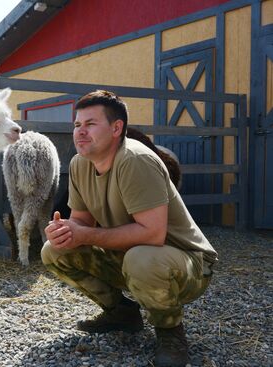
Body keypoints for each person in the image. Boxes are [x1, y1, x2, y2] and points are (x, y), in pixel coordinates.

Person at [42, 90, 217, 366]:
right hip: (134, 254)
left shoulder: (135, 160)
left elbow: (153, 234)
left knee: (142, 259)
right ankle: (121, 313)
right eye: (77, 125)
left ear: (116, 128)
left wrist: (86, 234)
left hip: (187, 263)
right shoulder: (79, 164)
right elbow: (82, 222)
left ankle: (170, 332)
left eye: (90, 124)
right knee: (54, 250)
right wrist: (66, 230)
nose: (80, 132)